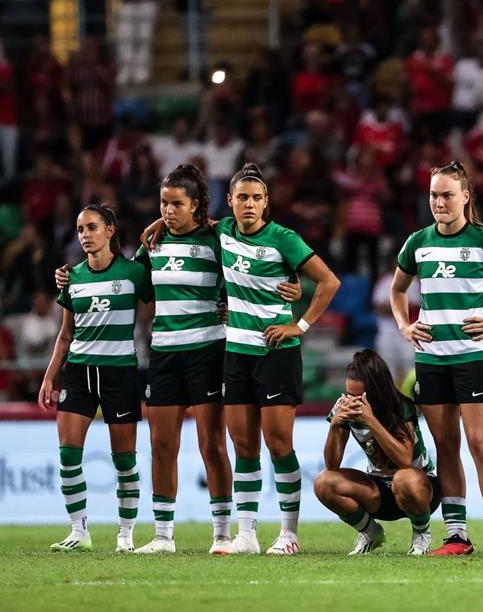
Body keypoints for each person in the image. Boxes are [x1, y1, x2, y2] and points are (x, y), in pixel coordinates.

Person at [58, 164, 301, 553]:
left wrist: (293, 284)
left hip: (208, 350)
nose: (169, 211)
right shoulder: (149, 246)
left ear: (196, 207)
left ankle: (222, 532)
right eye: (163, 204)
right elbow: (121, 278)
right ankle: (163, 536)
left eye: (176, 204)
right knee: (162, 446)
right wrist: (70, 280)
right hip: (163, 354)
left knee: (212, 444)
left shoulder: (215, 237)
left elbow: (252, 253)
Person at [143, 162, 340, 555]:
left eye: (256, 197)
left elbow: (329, 281)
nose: (249, 204)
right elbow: (184, 215)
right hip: (235, 353)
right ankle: (246, 535)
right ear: (230, 201)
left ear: (266, 202)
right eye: (242, 197)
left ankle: (288, 533)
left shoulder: (284, 238)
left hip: (276, 354)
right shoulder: (223, 231)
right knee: (244, 445)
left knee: (279, 443)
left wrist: (298, 326)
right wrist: (158, 222)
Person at [390, 160, 483, 556]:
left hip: (474, 356)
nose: (439, 202)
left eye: (447, 195)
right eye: (433, 195)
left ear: (465, 196)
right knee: (445, 446)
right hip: (431, 359)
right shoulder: (417, 242)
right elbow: (396, 291)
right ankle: (457, 536)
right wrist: (405, 326)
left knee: (478, 442)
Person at [38, 204, 154, 552]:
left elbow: (162, 301)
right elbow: (64, 335)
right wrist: (49, 378)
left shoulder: (134, 273)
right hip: (78, 373)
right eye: (79, 230)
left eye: (91, 227)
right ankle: (79, 531)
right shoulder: (71, 277)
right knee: (69, 456)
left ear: (110, 230)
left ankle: (125, 535)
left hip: (120, 373)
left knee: (124, 460)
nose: (85, 235)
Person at [313, 349, 440, 556]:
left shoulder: (400, 405)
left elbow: (404, 459)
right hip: (379, 490)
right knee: (324, 482)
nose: (353, 401)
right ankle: (370, 532)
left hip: (419, 488)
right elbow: (332, 465)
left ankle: (421, 533)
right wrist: (335, 425)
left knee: (404, 478)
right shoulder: (343, 408)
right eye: (349, 394)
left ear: (375, 391)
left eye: (359, 396)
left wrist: (371, 420)